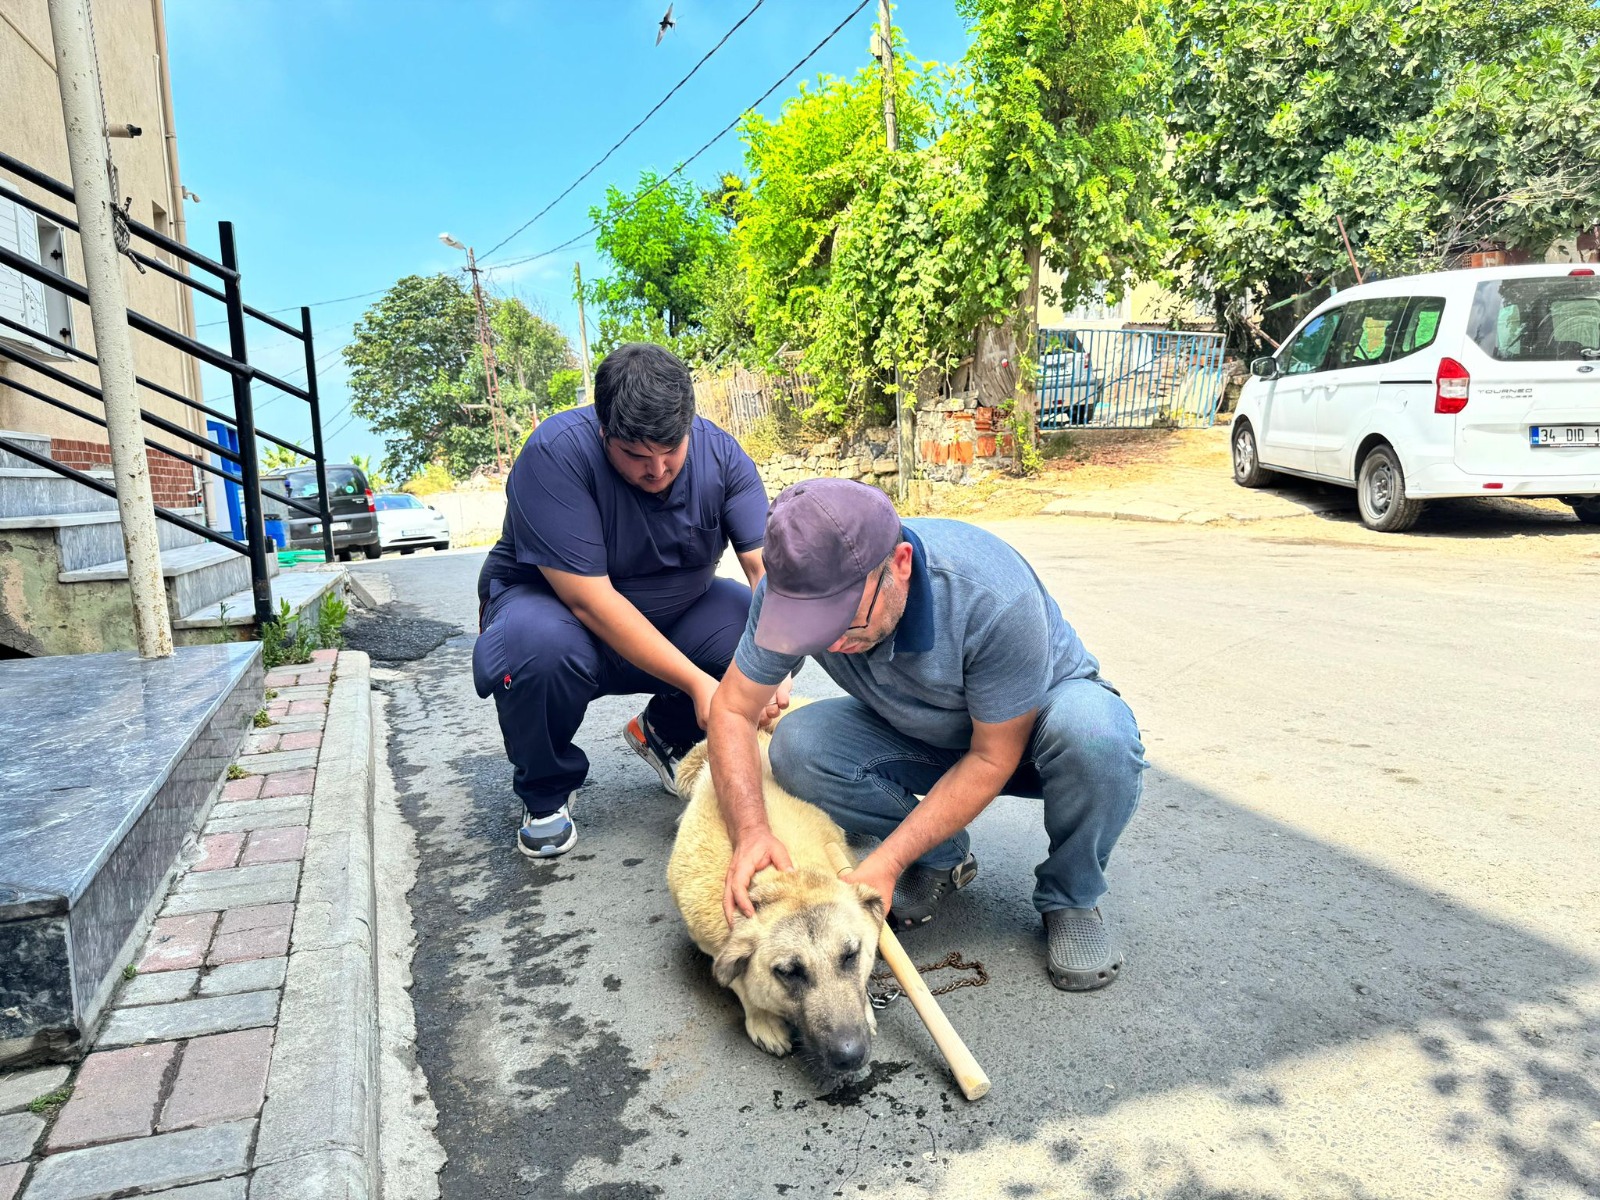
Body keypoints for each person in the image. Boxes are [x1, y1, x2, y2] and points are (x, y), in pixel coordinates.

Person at [706, 478, 1146, 991]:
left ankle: (1071, 896)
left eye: (842, 621)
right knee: (798, 745)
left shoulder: (991, 596)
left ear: (899, 565)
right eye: (810, 626)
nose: (828, 642)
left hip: (1032, 737)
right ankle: (938, 855)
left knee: (1099, 738)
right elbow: (733, 710)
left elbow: (990, 757)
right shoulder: (787, 592)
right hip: (925, 732)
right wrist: (751, 832)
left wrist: (885, 861)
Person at [472, 343, 787, 859]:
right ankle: (545, 791)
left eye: (671, 451)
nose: (658, 469)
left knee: (743, 627)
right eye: (637, 456)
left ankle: (667, 731)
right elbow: (590, 602)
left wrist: (777, 658)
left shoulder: (723, 456)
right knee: (536, 647)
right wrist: (697, 682)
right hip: (562, 616)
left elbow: (764, 569)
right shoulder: (555, 453)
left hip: (675, 616)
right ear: (603, 431)